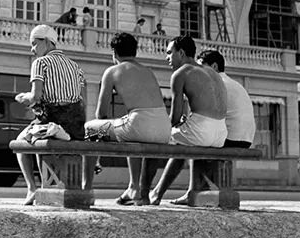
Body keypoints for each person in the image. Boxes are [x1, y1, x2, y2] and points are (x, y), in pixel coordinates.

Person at [83, 31, 170, 204]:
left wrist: (102, 140)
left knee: (90, 128)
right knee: (128, 127)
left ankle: (87, 189)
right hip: (163, 129)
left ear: (114, 53)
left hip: (139, 125)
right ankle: (133, 187)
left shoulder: (112, 71)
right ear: (135, 52)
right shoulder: (148, 71)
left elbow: (100, 114)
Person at [141, 35, 227, 205]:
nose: (167, 57)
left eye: (169, 53)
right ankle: (170, 193)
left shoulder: (181, 74)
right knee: (181, 142)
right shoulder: (212, 72)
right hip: (220, 134)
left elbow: (173, 118)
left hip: (202, 131)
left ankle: (143, 194)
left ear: (180, 53)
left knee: (153, 140)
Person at [170, 49, 256, 206]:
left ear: (214, 66)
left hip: (230, 139)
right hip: (245, 139)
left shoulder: (213, 83)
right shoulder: (234, 83)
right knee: (199, 139)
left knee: (190, 141)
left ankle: (173, 191)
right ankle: (196, 191)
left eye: (202, 65)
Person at [15, 24, 85, 206]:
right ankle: (49, 187)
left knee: (21, 143)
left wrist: (24, 98)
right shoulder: (75, 66)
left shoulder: (40, 63)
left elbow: (36, 96)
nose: (32, 49)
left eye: (34, 44)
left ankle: (32, 188)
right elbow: (80, 98)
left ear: (46, 41)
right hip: (74, 125)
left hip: (53, 121)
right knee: (40, 137)